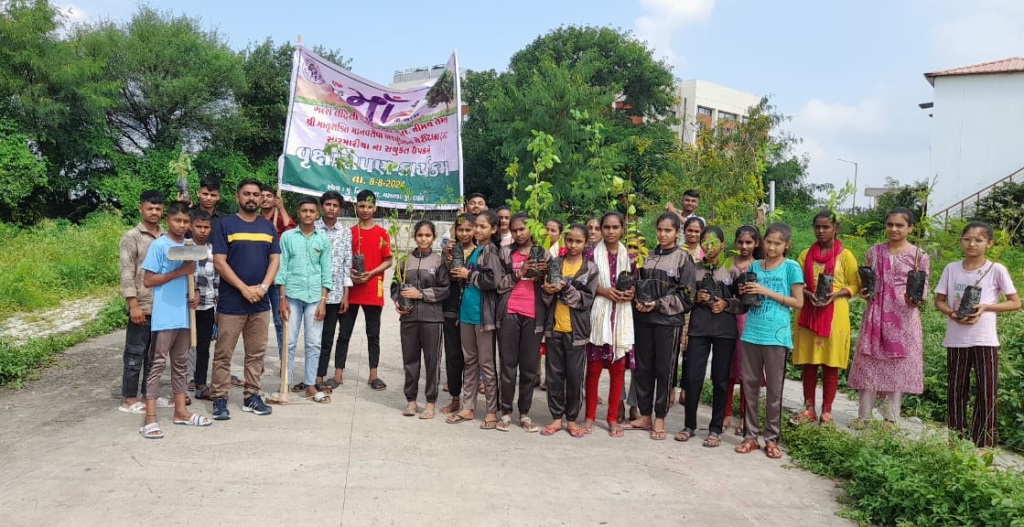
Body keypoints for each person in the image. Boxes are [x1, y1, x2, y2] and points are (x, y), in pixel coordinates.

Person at [934, 221, 1020, 448]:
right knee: (956, 390)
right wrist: (951, 313)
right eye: (967, 239)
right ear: (960, 241)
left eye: (978, 240)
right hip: (956, 339)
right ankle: (956, 442)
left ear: (989, 243)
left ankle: (985, 444)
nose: (972, 244)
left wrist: (985, 307)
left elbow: (1015, 302)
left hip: (985, 339)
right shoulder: (952, 269)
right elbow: (939, 301)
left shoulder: (996, 269)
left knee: (987, 391)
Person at [848, 208, 928, 428]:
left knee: (896, 366)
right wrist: (865, 292)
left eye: (899, 225)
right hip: (875, 314)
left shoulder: (918, 256)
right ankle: (863, 416)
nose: (893, 229)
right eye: (890, 224)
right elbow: (868, 282)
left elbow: (923, 286)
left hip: (903, 316)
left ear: (910, 228)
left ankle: (890, 418)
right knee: (870, 363)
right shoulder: (874, 252)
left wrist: (915, 299)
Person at [209, 179, 281, 420]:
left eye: (256, 194)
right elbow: (219, 261)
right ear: (238, 197)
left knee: (256, 354)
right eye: (247, 194)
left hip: (260, 303)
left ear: (261, 198)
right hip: (231, 304)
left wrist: (263, 287)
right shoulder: (225, 225)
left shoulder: (268, 227)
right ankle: (219, 399)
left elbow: (275, 260)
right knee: (223, 354)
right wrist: (243, 289)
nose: (252, 198)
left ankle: (252, 396)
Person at [138, 201, 211, 438]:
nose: (182, 225)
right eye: (177, 220)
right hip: (165, 315)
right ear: (167, 221)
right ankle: (150, 418)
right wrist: (179, 271)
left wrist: (195, 294)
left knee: (180, 364)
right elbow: (148, 280)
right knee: (158, 363)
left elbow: (191, 279)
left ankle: (181, 412)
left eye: (186, 221)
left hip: (184, 315)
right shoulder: (159, 245)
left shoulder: (190, 247)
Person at [735, 222, 804, 459]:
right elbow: (747, 297)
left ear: (787, 245)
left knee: (774, 390)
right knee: (750, 386)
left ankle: (772, 439)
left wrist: (766, 291)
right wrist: (745, 291)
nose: (772, 247)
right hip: (752, 332)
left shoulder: (791, 267)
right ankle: (750, 436)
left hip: (776, 335)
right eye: (769, 242)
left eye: (778, 243)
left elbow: (798, 302)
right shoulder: (755, 265)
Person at [626, 213, 695, 441]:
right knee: (643, 368)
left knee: (664, 370)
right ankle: (645, 415)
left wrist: (657, 304)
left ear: (677, 232)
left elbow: (687, 295)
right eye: (659, 229)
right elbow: (635, 284)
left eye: (668, 230)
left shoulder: (683, 258)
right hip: (643, 322)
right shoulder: (646, 256)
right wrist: (636, 299)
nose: (663, 234)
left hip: (668, 323)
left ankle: (660, 417)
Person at [790, 212, 860, 426]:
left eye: (826, 227)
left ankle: (827, 411)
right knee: (809, 362)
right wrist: (807, 293)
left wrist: (836, 294)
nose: (821, 231)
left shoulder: (845, 256)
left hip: (835, 315)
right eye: (817, 227)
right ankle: (809, 408)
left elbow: (855, 284)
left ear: (835, 228)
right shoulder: (805, 255)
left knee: (831, 363)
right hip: (808, 312)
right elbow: (796, 282)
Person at [679, 225, 746, 447]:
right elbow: (684, 299)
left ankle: (715, 429)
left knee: (721, 379)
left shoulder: (732, 271)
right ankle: (689, 425)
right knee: (692, 377)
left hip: (725, 332)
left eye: (714, 243)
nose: (709, 247)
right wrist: (696, 297)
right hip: (698, 330)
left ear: (723, 245)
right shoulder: (694, 270)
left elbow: (744, 303)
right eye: (705, 243)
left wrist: (726, 304)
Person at [446, 210, 504, 428]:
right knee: (470, 361)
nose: (478, 230)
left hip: (483, 316)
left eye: (483, 226)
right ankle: (468, 406)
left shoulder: (491, 251)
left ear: (494, 229)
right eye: (476, 226)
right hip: (466, 313)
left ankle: (491, 411)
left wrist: (468, 274)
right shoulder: (474, 251)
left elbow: (494, 280)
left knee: (486, 364)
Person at [495, 213, 552, 432]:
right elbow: (498, 285)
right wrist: (520, 272)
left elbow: (551, 289)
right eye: (514, 230)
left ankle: (525, 413)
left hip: (533, 315)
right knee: (508, 365)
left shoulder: (544, 254)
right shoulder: (505, 253)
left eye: (522, 229)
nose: (518, 234)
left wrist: (544, 279)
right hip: (509, 313)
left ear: (531, 229)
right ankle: (506, 412)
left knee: (529, 368)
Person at [333, 190, 393, 390]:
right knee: (344, 333)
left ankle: (373, 375)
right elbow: (342, 260)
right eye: (361, 206)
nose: (365, 210)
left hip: (373, 289)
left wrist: (371, 273)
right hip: (351, 291)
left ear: (375, 208)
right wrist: (350, 274)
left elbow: (388, 260)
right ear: (355, 207)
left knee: (373, 334)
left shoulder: (382, 234)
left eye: (369, 206)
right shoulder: (349, 233)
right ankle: (338, 374)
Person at [582, 212, 635, 438]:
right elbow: (583, 283)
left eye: (615, 227)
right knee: (593, 370)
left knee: (617, 372)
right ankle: (589, 416)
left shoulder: (631, 256)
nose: (611, 231)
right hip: (599, 316)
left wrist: (632, 293)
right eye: (607, 227)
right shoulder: (591, 254)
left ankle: (612, 418)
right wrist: (603, 291)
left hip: (621, 317)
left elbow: (637, 284)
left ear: (622, 229)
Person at [540, 224, 596, 437]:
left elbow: (586, 300)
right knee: (554, 376)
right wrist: (547, 291)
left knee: (574, 376)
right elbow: (545, 297)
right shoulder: (555, 263)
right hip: (554, 327)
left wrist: (565, 287)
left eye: (578, 241)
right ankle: (556, 418)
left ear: (586, 243)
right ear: (565, 240)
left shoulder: (590, 269)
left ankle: (571, 419)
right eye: (570, 240)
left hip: (576, 331)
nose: (573, 245)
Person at [392, 220, 450, 419]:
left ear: (433, 238)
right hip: (408, 319)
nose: (423, 239)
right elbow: (395, 286)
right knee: (410, 360)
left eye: (427, 235)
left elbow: (445, 289)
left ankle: (430, 403)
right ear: (414, 237)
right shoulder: (404, 260)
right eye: (420, 235)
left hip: (432, 318)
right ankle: (411, 401)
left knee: (432, 361)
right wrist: (398, 303)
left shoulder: (439, 261)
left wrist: (421, 294)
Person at [277, 196, 333, 402]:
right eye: (304, 211)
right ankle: (286, 383)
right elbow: (282, 268)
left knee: (314, 343)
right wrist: (282, 298)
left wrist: (323, 300)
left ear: (317, 214)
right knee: (289, 342)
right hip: (291, 295)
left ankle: (310, 384)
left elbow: (327, 271)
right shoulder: (287, 237)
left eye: (312, 211)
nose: (308, 214)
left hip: (315, 298)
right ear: (298, 213)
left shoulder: (323, 240)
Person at [118, 190, 168, 414]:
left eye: (158, 208)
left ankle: (150, 395)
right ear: (141, 209)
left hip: (163, 306)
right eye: (150, 208)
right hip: (142, 305)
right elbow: (127, 272)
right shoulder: (132, 237)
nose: (154, 212)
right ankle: (129, 398)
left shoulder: (166, 237)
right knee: (135, 353)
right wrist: (133, 304)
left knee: (156, 356)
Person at [724, 225, 763, 435]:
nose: (744, 246)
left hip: (751, 320)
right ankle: (726, 413)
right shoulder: (728, 264)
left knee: (748, 368)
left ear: (756, 244)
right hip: (730, 317)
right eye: (741, 242)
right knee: (729, 366)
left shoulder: (759, 266)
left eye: (749, 242)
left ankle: (745, 415)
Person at [314, 191, 352, 390]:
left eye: (335, 205)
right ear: (322, 207)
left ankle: (335, 374)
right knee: (318, 337)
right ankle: (316, 375)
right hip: (315, 292)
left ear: (340, 209)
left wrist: (346, 293)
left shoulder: (345, 232)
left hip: (337, 293)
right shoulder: (313, 228)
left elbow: (347, 263)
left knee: (336, 335)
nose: (331, 208)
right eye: (328, 204)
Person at [440, 213, 476, 415]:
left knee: (472, 358)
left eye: (468, 229)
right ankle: (455, 398)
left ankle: (470, 402)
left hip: (473, 311)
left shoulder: (481, 252)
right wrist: (446, 259)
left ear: (475, 230)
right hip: (452, 310)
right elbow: (442, 279)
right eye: (460, 229)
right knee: (453, 356)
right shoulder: (450, 252)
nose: (464, 233)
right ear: (454, 230)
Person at [671, 215, 707, 406]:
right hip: (678, 307)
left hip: (696, 310)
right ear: (684, 232)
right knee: (674, 348)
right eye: (689, 230)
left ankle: (685, 388)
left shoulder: (705, 255)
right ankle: (670, 387)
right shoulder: (677, 253)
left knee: (690, 350)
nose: (693, 234)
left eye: (696, 231)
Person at [260, 184, 295, 352]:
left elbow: (291, 231)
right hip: (258, 278)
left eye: (269, 196)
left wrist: (281, 208)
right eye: (262, 196)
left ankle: (284, 361)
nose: (265, 199)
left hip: (277, 279)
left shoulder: (280, 219)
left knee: (280, 321)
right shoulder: (255, 220)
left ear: (275, 198)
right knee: (257, 323)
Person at [189, 209, 219, 402]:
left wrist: (217, 305)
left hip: (207, 306)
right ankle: (182, 386)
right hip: (186, 307)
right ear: (191, 227)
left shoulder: (213, 251)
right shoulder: (183, 248)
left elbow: (216, 280)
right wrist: (192, 291)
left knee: (203, 347)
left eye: (206, 227)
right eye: (198, 226)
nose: (202, 230)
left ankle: (201, 384)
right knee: (183, 347)